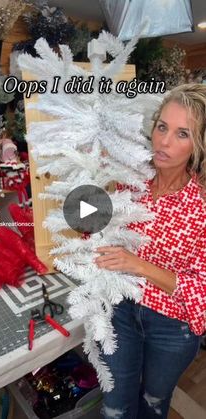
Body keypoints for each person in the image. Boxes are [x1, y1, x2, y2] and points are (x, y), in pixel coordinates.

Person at [94, 83, 206, 419]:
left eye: (182, 133)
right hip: (123, 309)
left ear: (199, 145)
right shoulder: (133, 180)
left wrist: (139, 265)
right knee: (115, 406)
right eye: (162, 127)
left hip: (173, 326)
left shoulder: (200, 203)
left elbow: (203, 291)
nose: (164, 141)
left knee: (154, 404)